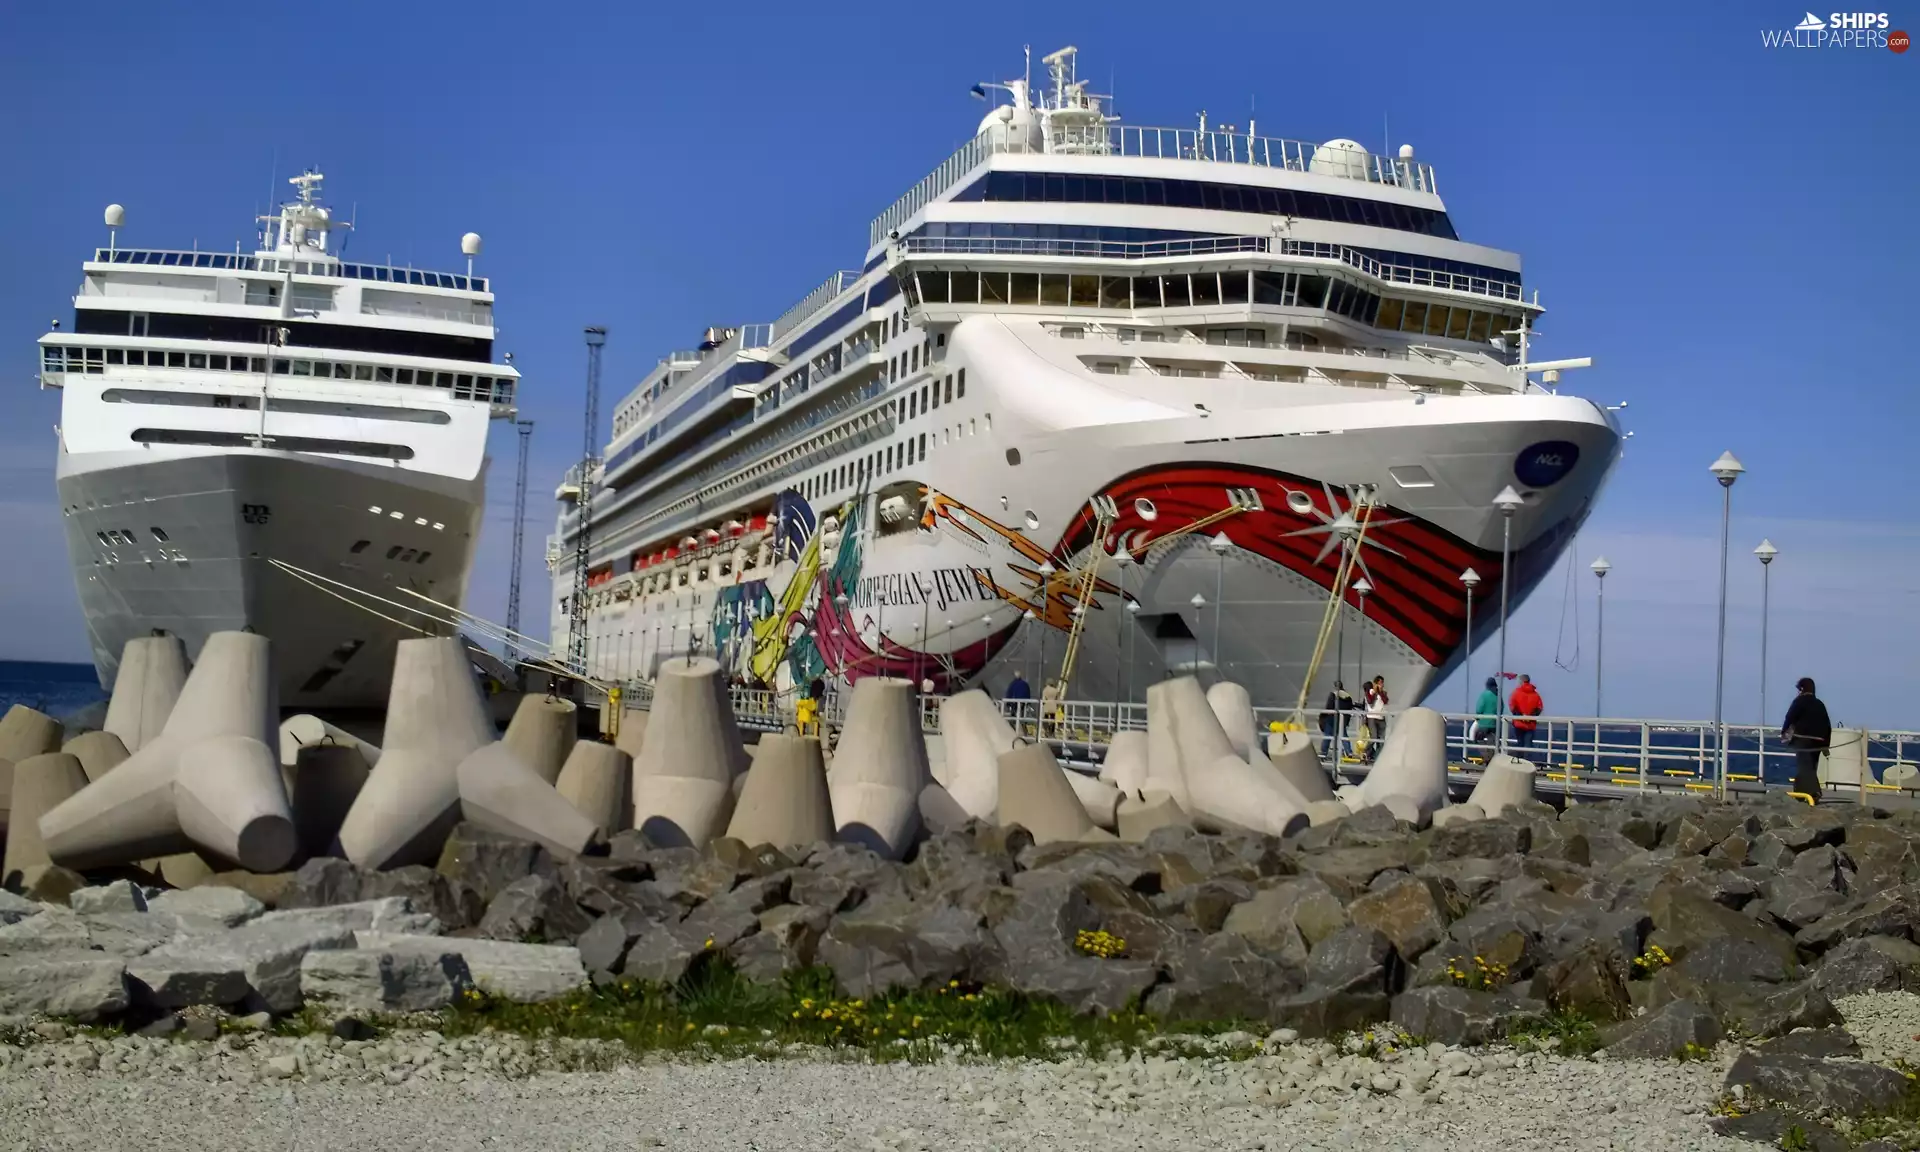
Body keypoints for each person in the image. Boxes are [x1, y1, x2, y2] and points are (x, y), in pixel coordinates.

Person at [1781, 676, 1831, 802]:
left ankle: (1814, 792)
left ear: (1802, 689)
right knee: (1811, 767)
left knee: (1805, 767)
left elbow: (1789, 717)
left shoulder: (1799, 702)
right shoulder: (1820, 704)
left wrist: (1784, 731)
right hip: (1819, 740)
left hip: (1803, 738)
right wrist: (1826, 745)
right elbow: (1827, 725)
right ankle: (1801, 793)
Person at [1320, 680, 1354, 762]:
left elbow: (1329, 706)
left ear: (1335, 686)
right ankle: (1349, 752)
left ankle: (1323, 753)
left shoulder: (1333, 694)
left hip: (1332, 718)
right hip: (1343, 718)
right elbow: (1350, 707)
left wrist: (1323, 715)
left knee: (1327, 736)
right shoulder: (1348, 696)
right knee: (1344, 736)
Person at [1509, 674, 1543, 750]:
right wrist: (1530, 717)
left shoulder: (1516, 693)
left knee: (1520, 744)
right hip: (1530, 724)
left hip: (1518, 723)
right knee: (1528, 746)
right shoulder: (1536, 694)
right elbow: (1539, 708)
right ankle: (1527, 757)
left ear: (1521, 681)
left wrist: (1521, 716)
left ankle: (1520, 757)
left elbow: (1513, 707)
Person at [1362, 675, 1389, 762]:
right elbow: (1370, 701)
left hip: (1381, 718)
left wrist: (1380, 693)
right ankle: (1365, 751)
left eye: (1382, 683)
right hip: (1372, 718)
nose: (1382, 685)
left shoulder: (1383, 692)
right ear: (1375, 683)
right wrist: (1375, 691)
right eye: (1380, 683)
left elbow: (1386, 701)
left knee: (1381, 740)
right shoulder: (1370, 691)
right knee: (1373, 737)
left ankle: (1377, 758)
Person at [1473, 677, 1500, 753]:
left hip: (1484, 723)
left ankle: (1485, 755)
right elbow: (1501, 707)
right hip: (1495, 724)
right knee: (1493, 743)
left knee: (1478, 740)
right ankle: (1491, 755)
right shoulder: (1498, 695)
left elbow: (1479, 709)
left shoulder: (1485, 695)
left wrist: (1478, 717)